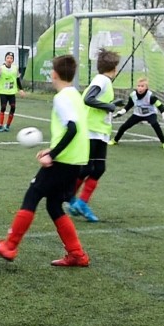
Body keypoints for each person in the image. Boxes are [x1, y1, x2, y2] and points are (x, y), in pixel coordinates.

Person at [0, 54, 90, 267]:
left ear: (54, 74)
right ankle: (77, 254)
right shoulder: (76, 95)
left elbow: (73, 129)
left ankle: (10, 245)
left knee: (34, 193)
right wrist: (52, 148)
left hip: (64, 160)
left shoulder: (62, 98)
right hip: (76, 160)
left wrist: (53, 154)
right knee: (54, 205)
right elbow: (75, 128)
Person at [67, 49, 123, 223]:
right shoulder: (102, 79)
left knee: (99, 169)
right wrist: (109, 107)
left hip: (101, 131)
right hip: (91, 129)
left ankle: (81, 203)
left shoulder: (104, 81)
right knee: (86, 168)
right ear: (113, 68)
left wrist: (110, 104)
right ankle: (69, 197)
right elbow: (88, 99)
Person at [110, 77, 164, 148]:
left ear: (146, 88)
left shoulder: (151, 96)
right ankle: (115, 140)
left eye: (142, 86)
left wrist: (163, 113)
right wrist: (122, 111)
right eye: (138, 86)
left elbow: (159, 104)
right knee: (124, 126)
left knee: (155, 124)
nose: (140, 88)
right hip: (137, 114)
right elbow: (129, 105)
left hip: (150, 114)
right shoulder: (133, 95)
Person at [0, 51, 25, 131]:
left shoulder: (15, 68)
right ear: (5, 59)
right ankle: (0, 125)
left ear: (13, 60)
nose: (9, 59)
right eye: (8, 58)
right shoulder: (1, 68)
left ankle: (7, 125)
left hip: (11, 92)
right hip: (3, 92)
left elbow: (18, 79)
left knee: (13, 107)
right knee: (3, 107)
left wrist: (21, 89)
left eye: (11, 58)